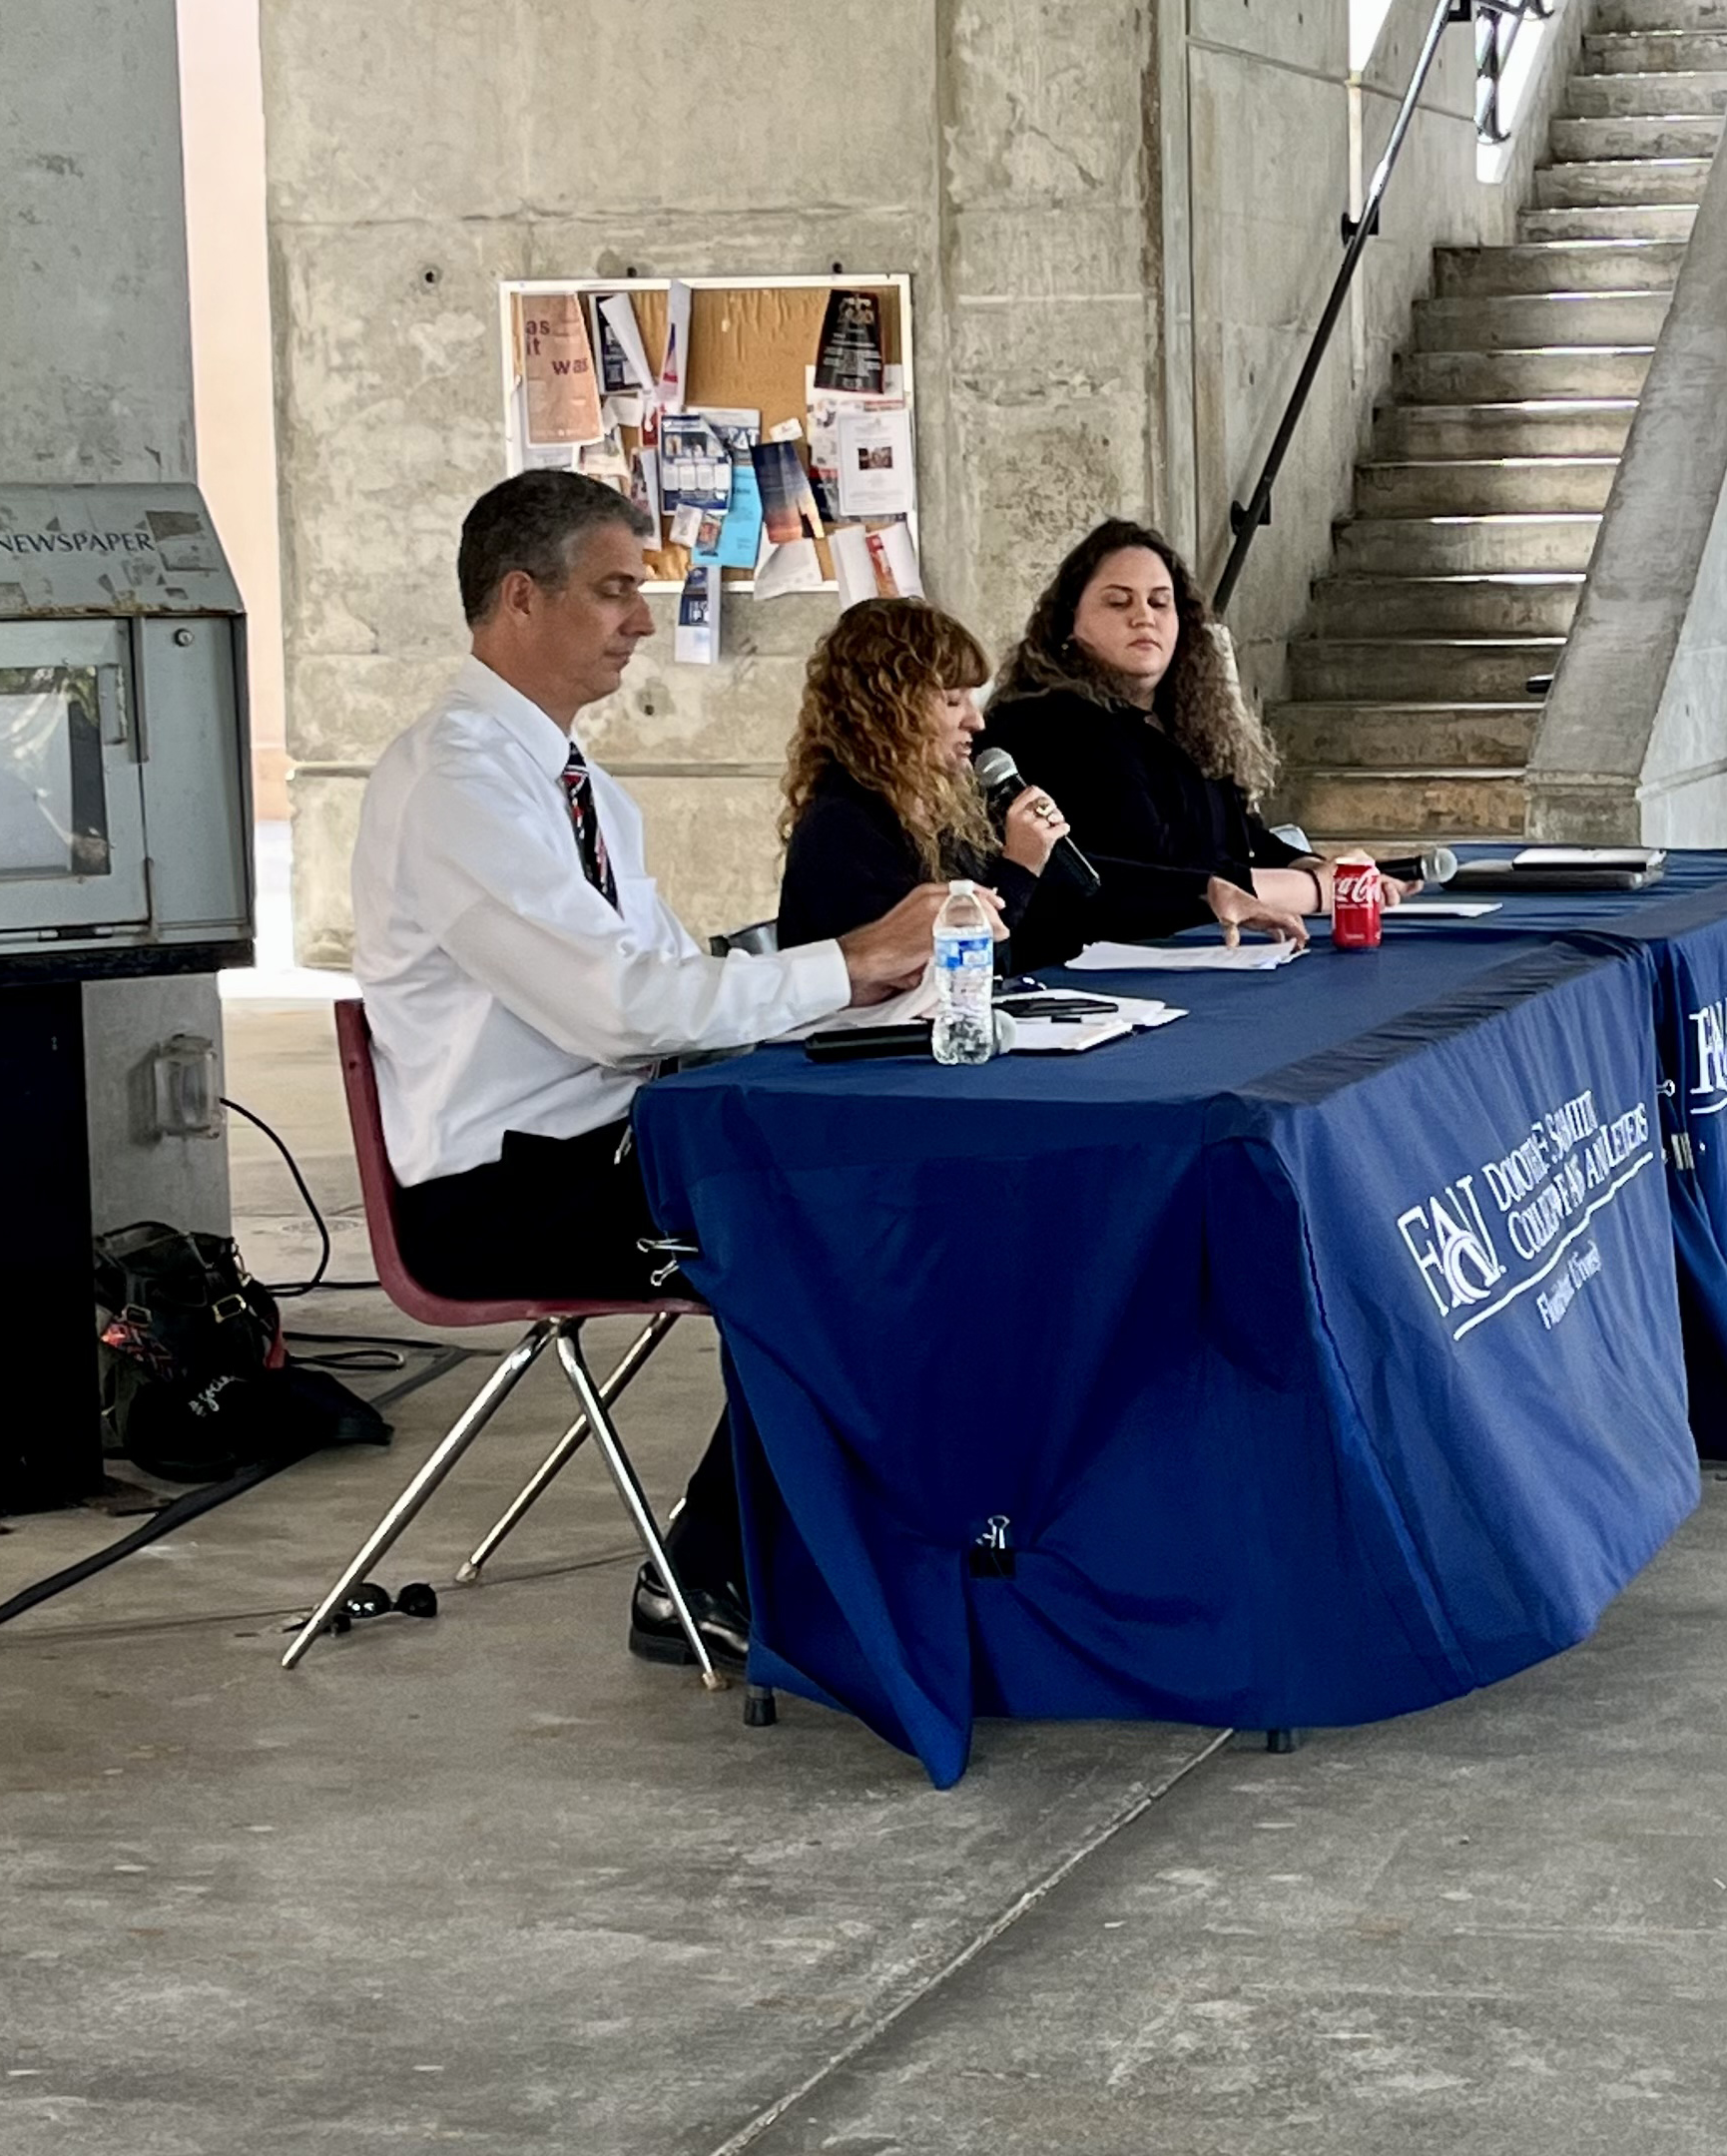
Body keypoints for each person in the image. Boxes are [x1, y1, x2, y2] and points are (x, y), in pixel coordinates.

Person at [352, 470, 977, 1671]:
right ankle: (713, 1567)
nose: (643, 620)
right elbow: (620, 1013)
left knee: (904, 1182)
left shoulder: (576, 784)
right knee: (844, 1226)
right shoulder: (457, 784)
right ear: (520, 599)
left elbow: (669, 984)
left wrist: (855, 992)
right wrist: (845, 961)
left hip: (614, 1137)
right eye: (613, 591)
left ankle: (839, 1548)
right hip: (506, 1189)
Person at [977, 519, 1323, 964]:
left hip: (1208, 953)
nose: (1144, 616)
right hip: (1088, 967)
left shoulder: (1186, 721)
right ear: (1069, 621)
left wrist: (1312, 866)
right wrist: (1311, 890)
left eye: (1160, 602)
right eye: (1118, 602)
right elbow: (1144, 866)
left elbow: (1242, 835)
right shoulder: (1048, 722)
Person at [777, 597, 1074, 952]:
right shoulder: (843, 827)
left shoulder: (943, 809)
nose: (976, 721)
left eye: (972, 699)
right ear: (890, 709)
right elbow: (944, 965)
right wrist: (1020, 866)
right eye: (953, 701)